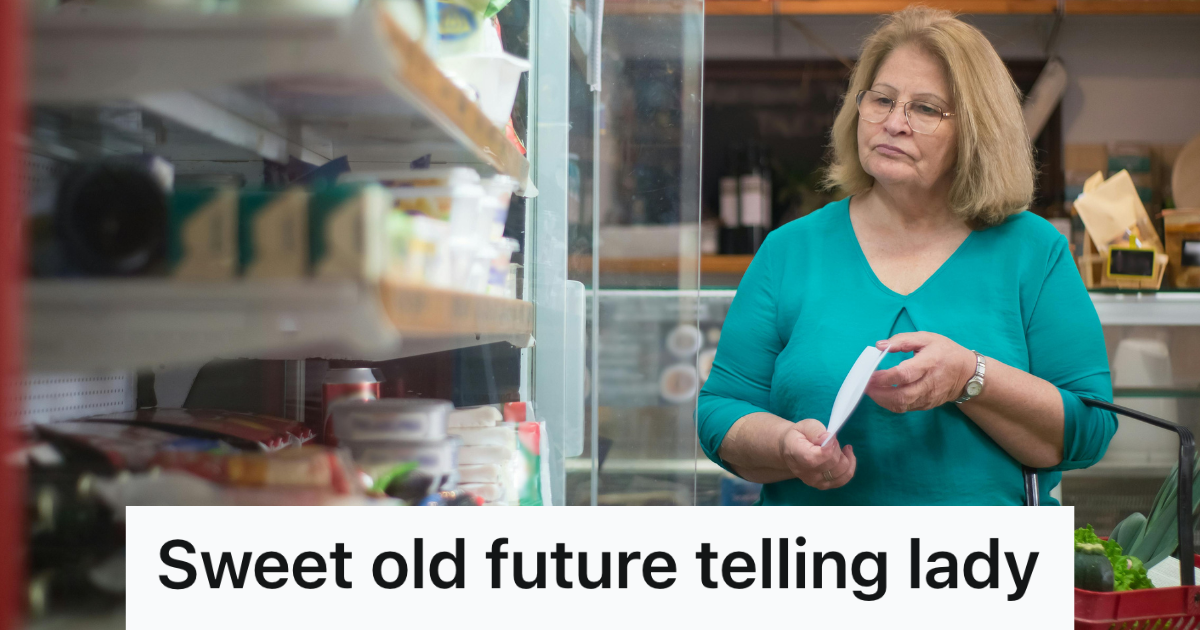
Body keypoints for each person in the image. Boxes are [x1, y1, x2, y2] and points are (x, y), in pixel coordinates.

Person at [697, 7, 1116, 505]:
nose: (894, 123)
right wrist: (783, 446)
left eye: (925, 109)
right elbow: (720, 412)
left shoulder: (1033, 250)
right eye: (882, 99)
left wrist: (970, 377)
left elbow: (1089, 430)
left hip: (983, 573)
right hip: (815, 569)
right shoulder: (790, 249)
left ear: (976, 132)